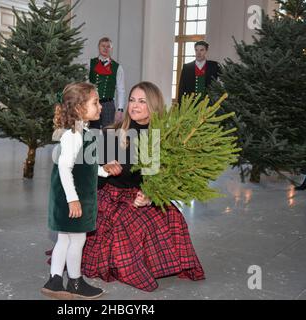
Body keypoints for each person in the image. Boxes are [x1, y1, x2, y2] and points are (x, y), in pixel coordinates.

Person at [81, 81, 205, 292]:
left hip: (142, 194)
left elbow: (158, 177)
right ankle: (133, 265)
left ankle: (156, 264)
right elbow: (94, 180)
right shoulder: (112, 133)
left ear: (153, 106)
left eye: (141, 101)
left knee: (172, 216)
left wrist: (150, 194)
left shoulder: (160, 139)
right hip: (111, 195)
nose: (134, 106)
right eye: (131, 100)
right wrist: (104, 167)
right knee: (128, 220)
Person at [41, 82, 122, 299]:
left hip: (67, 198)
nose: (101, 107)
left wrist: (104, 170)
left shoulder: (81, 131)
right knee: (77, 241)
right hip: (73, 198)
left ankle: (55, 281)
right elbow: (65, 169)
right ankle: (75, 282)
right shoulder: (73, 135)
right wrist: (73, 200)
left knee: (65, 240)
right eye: (95, 102)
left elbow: (85, 165)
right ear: (78, 109)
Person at [88, 37, 125, 129]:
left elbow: (121, 90)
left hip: (108, 104)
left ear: (111, 49)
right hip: (92, 103)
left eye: (108, 46)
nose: (105, 48)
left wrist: (120, 109)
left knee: (108, 134)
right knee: (92, 131)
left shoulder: (117, 67)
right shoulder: (90, 63)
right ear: (98, 47)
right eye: (103, 46)